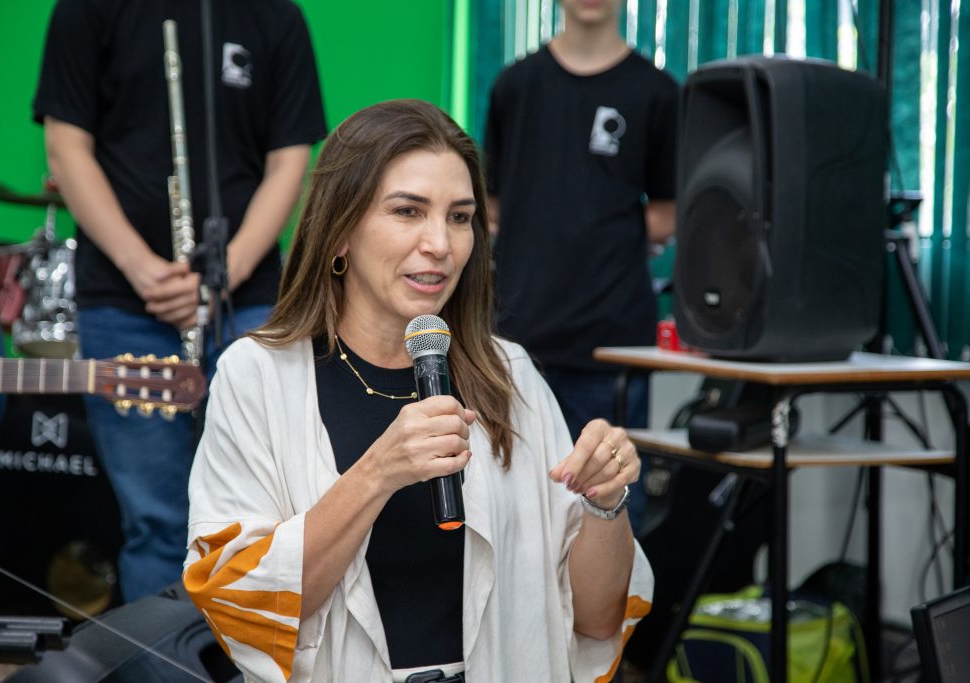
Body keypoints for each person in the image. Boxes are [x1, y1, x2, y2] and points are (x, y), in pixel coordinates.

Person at [182, 99, 653, 682]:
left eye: (460, 217)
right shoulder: (257, 376)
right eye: (408, 211)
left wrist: (606, 503)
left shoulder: (510, 374)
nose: (441, 244)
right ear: (339, 232)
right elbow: (241, 604)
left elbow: (597, 621)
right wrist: (378, 472)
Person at [32, 0, 326, 602]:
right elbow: (66, 148)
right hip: (123, 302)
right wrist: (145, 272)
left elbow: (290, 162)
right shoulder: (87, 11)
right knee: (157, 523)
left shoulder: (276, 18)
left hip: (244, 302)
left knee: (267, 515)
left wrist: (224, 272)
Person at [484, 0, 679, 530]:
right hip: (516, 338)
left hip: (610, 342)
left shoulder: (657, 92)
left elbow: (666, 213)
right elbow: (492, 206)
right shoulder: (515, 85)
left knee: (608, 506)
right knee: (512, 507)